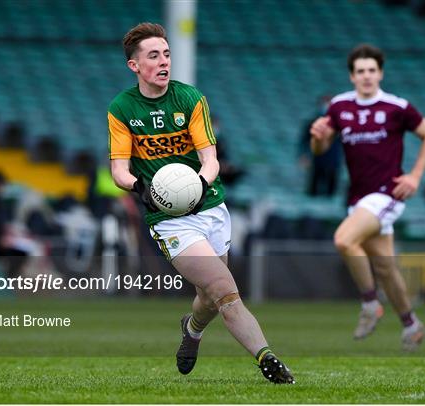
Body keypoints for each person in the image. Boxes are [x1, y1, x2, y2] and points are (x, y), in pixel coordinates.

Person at [108, 23, 294, 383]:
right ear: (134, 66)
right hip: (170, 220)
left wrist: (198, 184)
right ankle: (267, 358)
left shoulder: (190, 98)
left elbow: (211, 160)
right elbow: (119, 170)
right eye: (153, 56)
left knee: (209, 298)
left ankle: (191, 330)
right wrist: (141, 188)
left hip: (210, 207)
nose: (163, 62)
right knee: (225, 291)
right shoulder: (121, 108)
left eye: (166, 54)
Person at [310, 44, 425, 351]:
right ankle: (411, 325)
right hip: (358, 197)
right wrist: (317, 138)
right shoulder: (340, 107)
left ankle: (370, 304)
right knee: (385, 267)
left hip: (387, 194)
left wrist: (416, 175)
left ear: (380, 73)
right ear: (352, 76)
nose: (366, 76)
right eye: (360, 71)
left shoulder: (397, 107)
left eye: (371, 70)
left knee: (343, 239)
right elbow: (320, 150)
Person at [298, 95, 342, 196]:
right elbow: (304, 140)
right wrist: (303, 155)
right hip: (316, 158)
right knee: (313, 187)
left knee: (331, 189)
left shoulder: (340, 122)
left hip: (333, 160)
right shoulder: (312, 121)